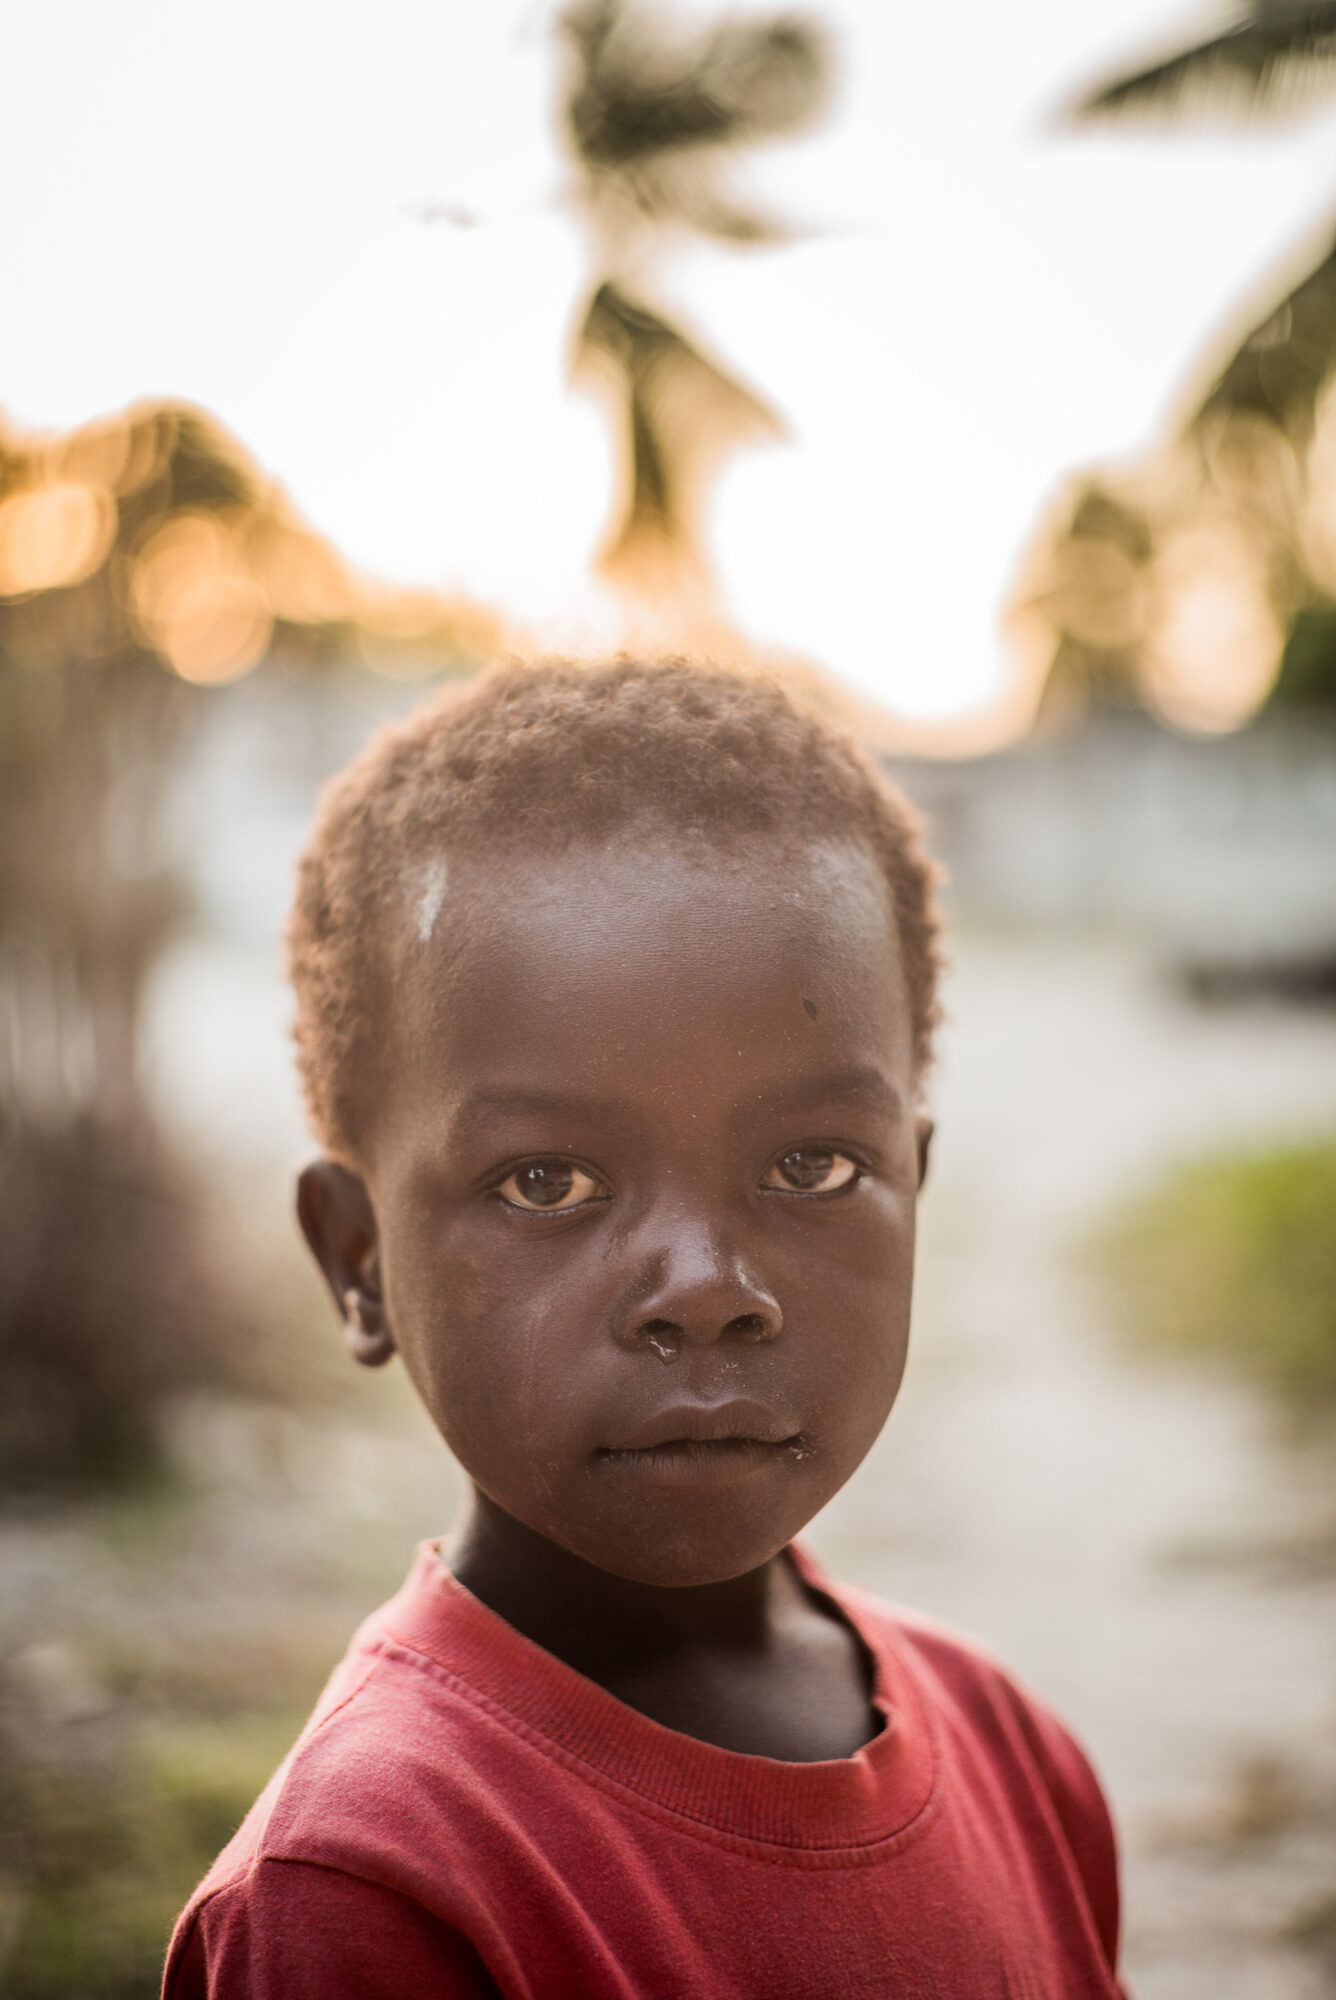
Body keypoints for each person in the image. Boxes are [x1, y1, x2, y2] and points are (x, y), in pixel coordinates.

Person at [163, 658, 1128, 1998]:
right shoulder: (366, 1896)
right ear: (361, 1260)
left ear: (915, 1184)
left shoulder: (1018, 1753)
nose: (708, 1284)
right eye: (545, 1182)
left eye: (813, 1167)